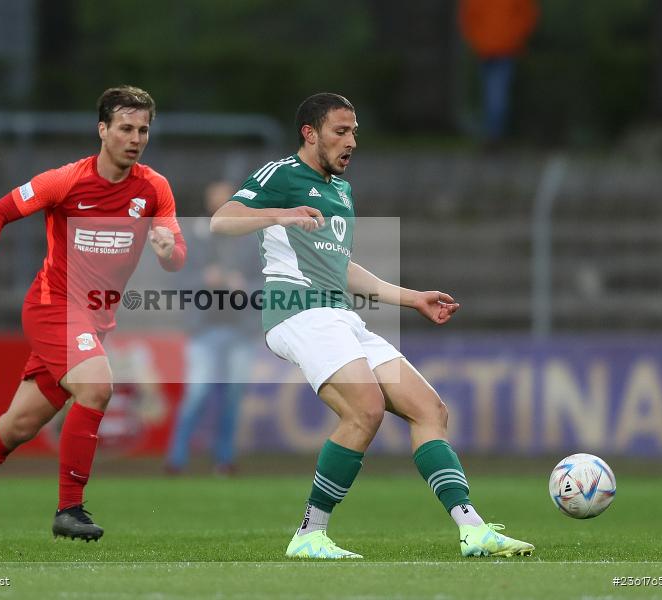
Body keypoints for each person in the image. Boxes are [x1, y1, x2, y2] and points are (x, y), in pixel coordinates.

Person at [210, 92, 534, 559]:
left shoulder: (340, 191)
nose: (351, 141)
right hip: (298, 312)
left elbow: (341, 268)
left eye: (354, 131)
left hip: (339, 313)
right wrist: (281, 214)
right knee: (365, 409)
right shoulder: (280, 175)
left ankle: (474, 531)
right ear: (310, 133)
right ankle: (309, 534)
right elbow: (222, 221)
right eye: (340, 131)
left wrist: (411, 298)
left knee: (429, 409)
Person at [0, 85, 186, 544]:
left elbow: (177, 254)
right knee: (97, 387)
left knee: (18, 426)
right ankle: (69, 508)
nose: (135, 138)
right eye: (125, 128)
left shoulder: (154, 189)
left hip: (93, 321)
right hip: (52, 306)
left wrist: (167, 247)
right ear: (102, 130)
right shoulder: (67, 181)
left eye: (143, 130)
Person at [165, 181, 260, 475]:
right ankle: (176, 459)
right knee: (198, 393)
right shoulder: (195, 239)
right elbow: (177, 282)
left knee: (233, 397)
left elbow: (267, 282)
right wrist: (205, 279)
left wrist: (243, 287)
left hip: (241, 329)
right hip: (204, 329)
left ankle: (224, 459)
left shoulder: (252, 240)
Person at [459, 0, 538, 145]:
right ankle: (494, 134)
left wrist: (474, 38)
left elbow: (468, 16)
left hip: (485, 45)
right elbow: (527, 15)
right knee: (498, 91)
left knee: (490, 90)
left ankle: (491, 133)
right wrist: (517, 36)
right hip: (505, 45)